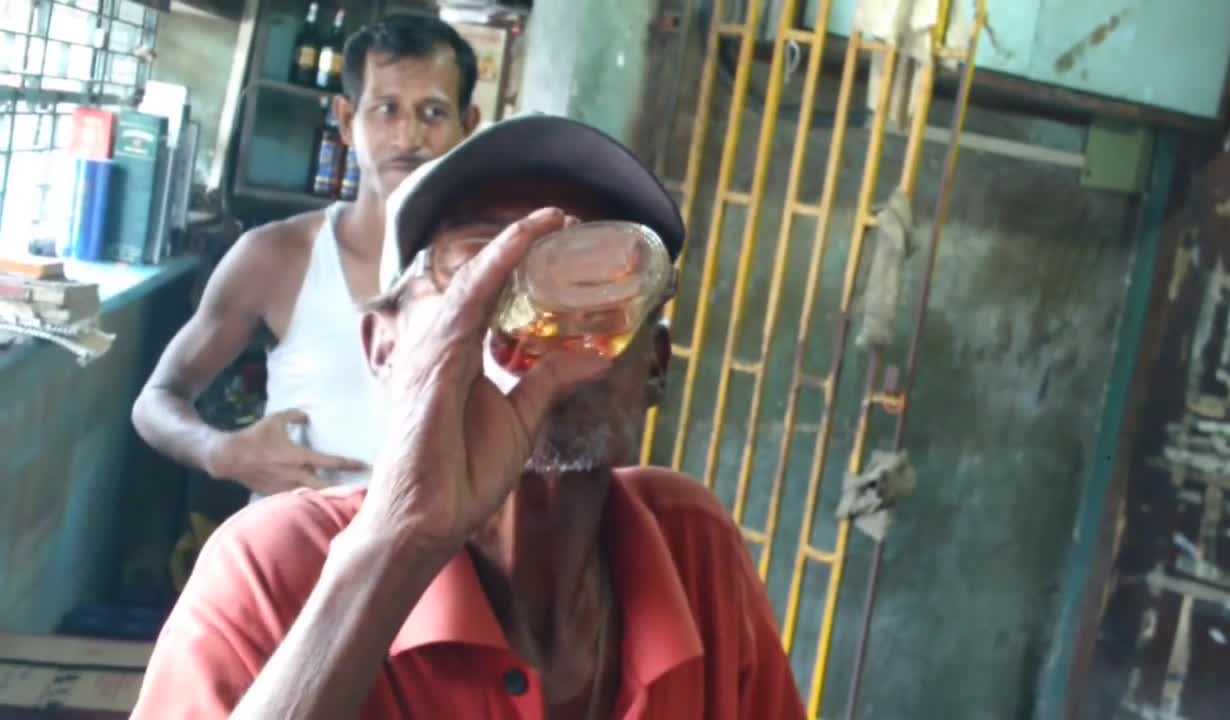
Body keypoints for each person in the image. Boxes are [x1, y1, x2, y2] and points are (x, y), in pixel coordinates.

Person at [130, 115, 806, 719]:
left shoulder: (694, 551)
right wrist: (397, 545)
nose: (539, 326)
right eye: (477, 266)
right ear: (384, 348)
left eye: (598, 283)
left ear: (653, 365)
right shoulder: (273, 570)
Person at [132, 14, 482, 496]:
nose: (408, 137)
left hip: (428, 562)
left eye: (433, 113)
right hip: (290, 556)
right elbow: (156, 400)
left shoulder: (490, 267)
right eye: (386, 109)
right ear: (345, 120)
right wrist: (222, 453)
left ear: (469, 126)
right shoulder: (277, 257)